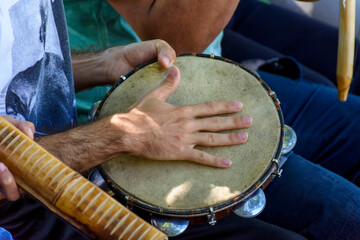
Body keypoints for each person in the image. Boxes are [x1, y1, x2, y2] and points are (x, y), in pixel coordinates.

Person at [0, 1, 310, 240]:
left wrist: (103, 62)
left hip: (75, 143)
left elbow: (24, 73)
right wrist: (118, 134)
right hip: (38, 202)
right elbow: (9, 175)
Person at [62, 0, 360, 240]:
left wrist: (102, 62)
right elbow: (175, 34)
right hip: (120, 110)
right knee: (349, 217)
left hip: (195, 71)